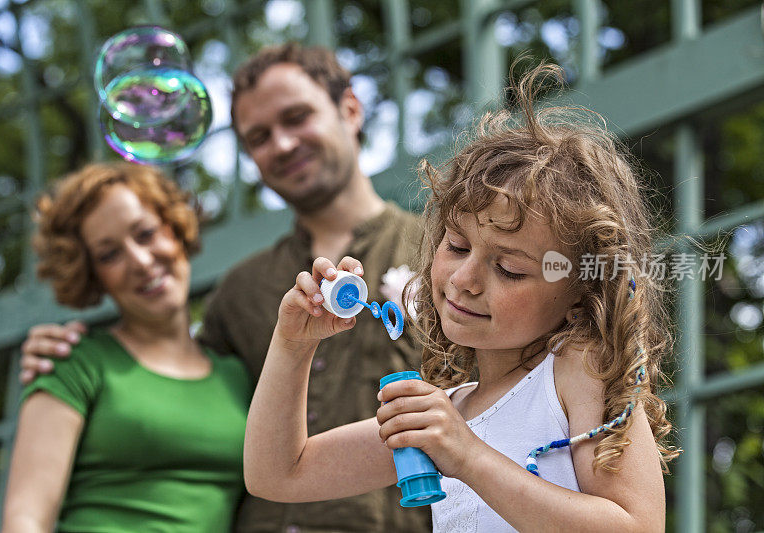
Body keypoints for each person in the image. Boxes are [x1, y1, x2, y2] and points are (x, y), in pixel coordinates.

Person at [243, 63, 679, 532]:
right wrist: (293, 345)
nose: (465, 279)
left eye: (509, 268)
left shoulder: (580, 368)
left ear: (580, 294)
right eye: (456, 246)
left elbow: (637, 526)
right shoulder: (448, 415)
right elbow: (279, 474)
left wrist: (468, 456)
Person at [16, 43, 430, 532]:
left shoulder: (442, 256)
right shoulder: (240, 291)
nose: (281, 144)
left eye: (297, 117)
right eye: (258, 136)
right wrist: (58, 352)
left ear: (351, 110)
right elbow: (179, 390)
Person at [2, 163, 251, 532]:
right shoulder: (73, 362)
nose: (140, 260)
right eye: (109, 255)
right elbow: (26, 519)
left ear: (176, 228)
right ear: (91, 273)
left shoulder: (238, 376)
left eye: (146, 233)